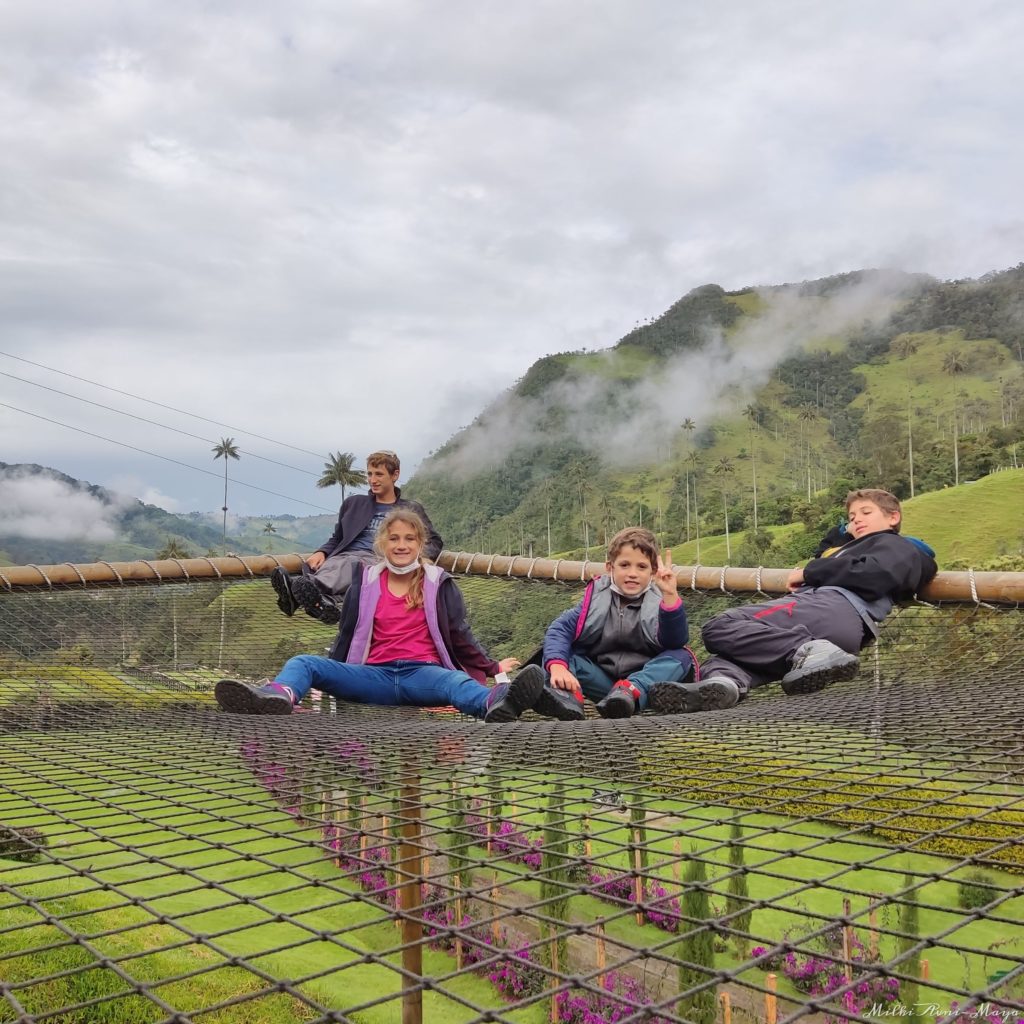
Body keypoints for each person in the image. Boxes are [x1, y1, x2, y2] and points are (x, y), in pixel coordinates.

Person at [218, 509, 543, 722]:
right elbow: (347, 632)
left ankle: (499, 702)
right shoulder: (366, 581)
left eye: (409, 539)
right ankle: (276, 697)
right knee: (304, 663)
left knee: (456, 682)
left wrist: (490, 666)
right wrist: (337, 668)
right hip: (374, 676)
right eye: (394, 539)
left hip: (424, 676)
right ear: (382, 544)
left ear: (421, 544)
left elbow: (461, 635)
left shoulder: (438, 583)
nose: (401, 545)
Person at [647, 488, 938, 713]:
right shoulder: (850, 548)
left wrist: (809, 573)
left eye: (866, 512)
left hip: (833, 608)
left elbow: (877, 574)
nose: (856, 520)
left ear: (893, 517)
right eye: (851, 518)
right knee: (727, 659)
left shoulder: (896, 544)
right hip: (838, 628)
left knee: (721, 626)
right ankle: (723, 685)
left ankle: (810, 650)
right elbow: (827, 552)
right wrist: (838, 535)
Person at [516, 527, 697, 721]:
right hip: (603, 682)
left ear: (653, 572)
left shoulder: (660, 599)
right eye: (625, 565)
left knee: (681, 656)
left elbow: (674, 640)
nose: (632, 573)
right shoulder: (595, 599)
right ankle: (567, 700)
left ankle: (631, 693)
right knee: (560, 656)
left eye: (641, 567)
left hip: (640, 685)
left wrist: (670, 595)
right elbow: (560, 629)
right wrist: (558, 667)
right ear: (610, 567)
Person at [271, 450, 443, 624]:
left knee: (354, 566)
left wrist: (411, 558)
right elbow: (338, 538)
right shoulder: (353, 504)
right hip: (343, 557)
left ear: (395, 475)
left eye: (379, 474)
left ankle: (299, 592)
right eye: (369, 474)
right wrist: (322, 552)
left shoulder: (410, 509)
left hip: (379, 559)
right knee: (340, 564)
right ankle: (321, 602)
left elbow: (434, 542)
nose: (372, 480)